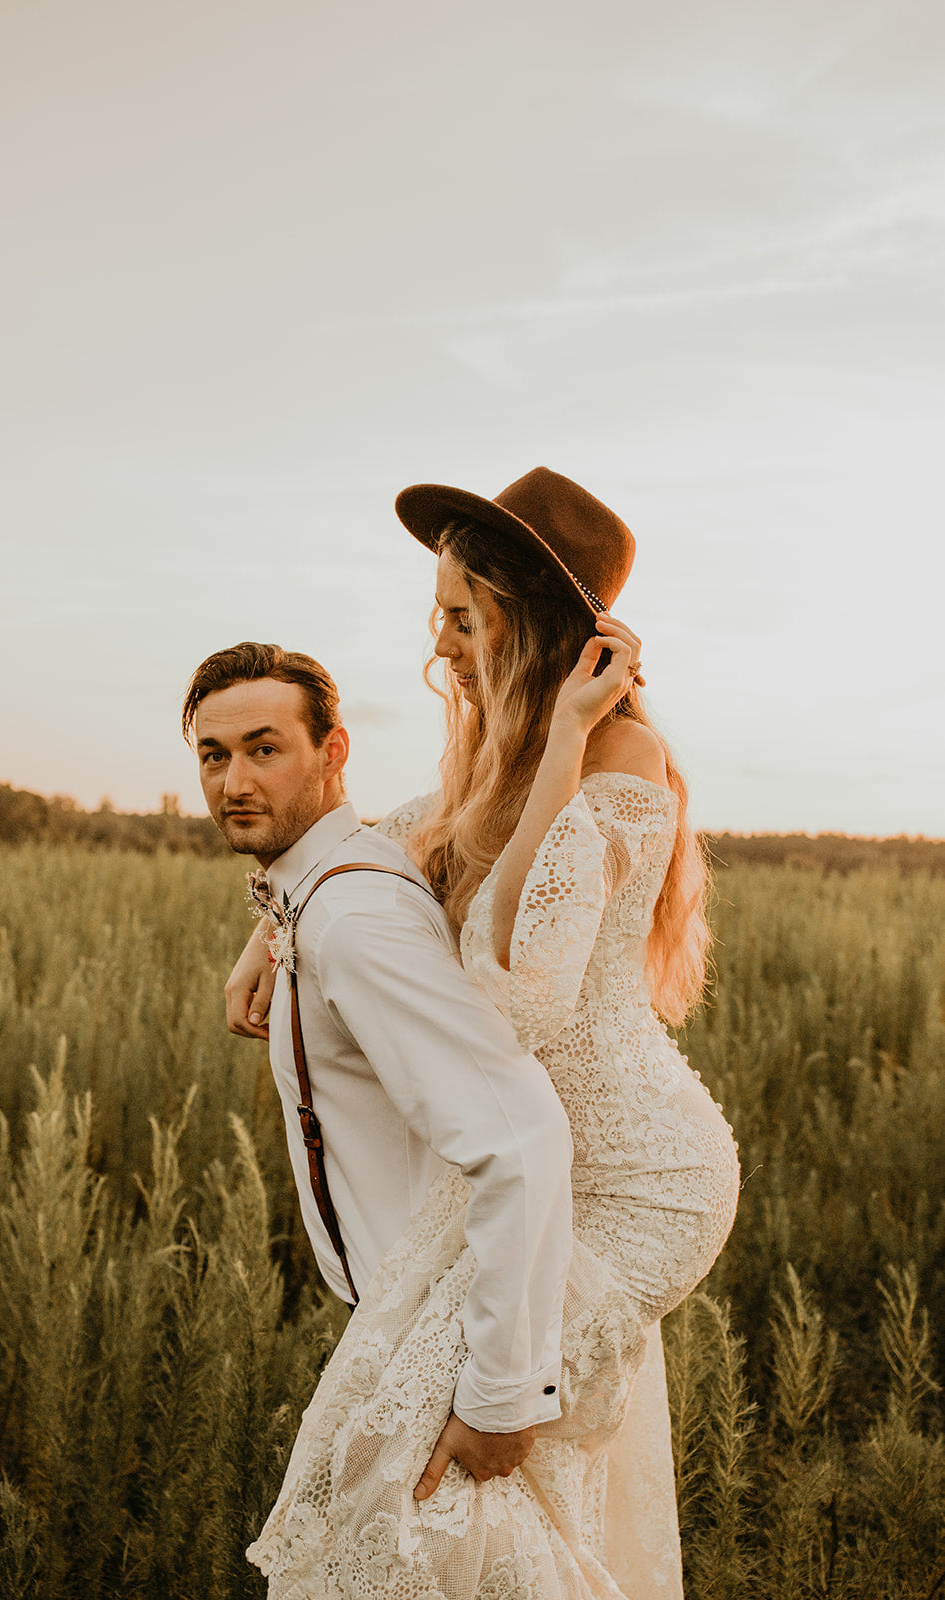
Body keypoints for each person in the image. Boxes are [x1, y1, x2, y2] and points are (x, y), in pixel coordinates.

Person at [230, 467, 741, 1600]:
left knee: (436, 1456)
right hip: (531, 1166)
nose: (442, 645)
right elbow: (377, 838)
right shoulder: (493, 759)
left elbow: (518, 992)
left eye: (463, 617)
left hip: (637, 1182)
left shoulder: (617, 762)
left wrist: (562, 738)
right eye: (437, 618)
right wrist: (273, 928)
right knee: (419, 1453)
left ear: (527, 618)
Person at [183, 642, 576, 1500]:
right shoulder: (321, 895)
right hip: (404, 1326)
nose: (234, 784)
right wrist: (266, 937)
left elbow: (520, 1137)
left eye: (263, 748)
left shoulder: (351, 920)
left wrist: (501, 1396)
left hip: (444, 1346)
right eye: (214, 756)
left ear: (332, 753)